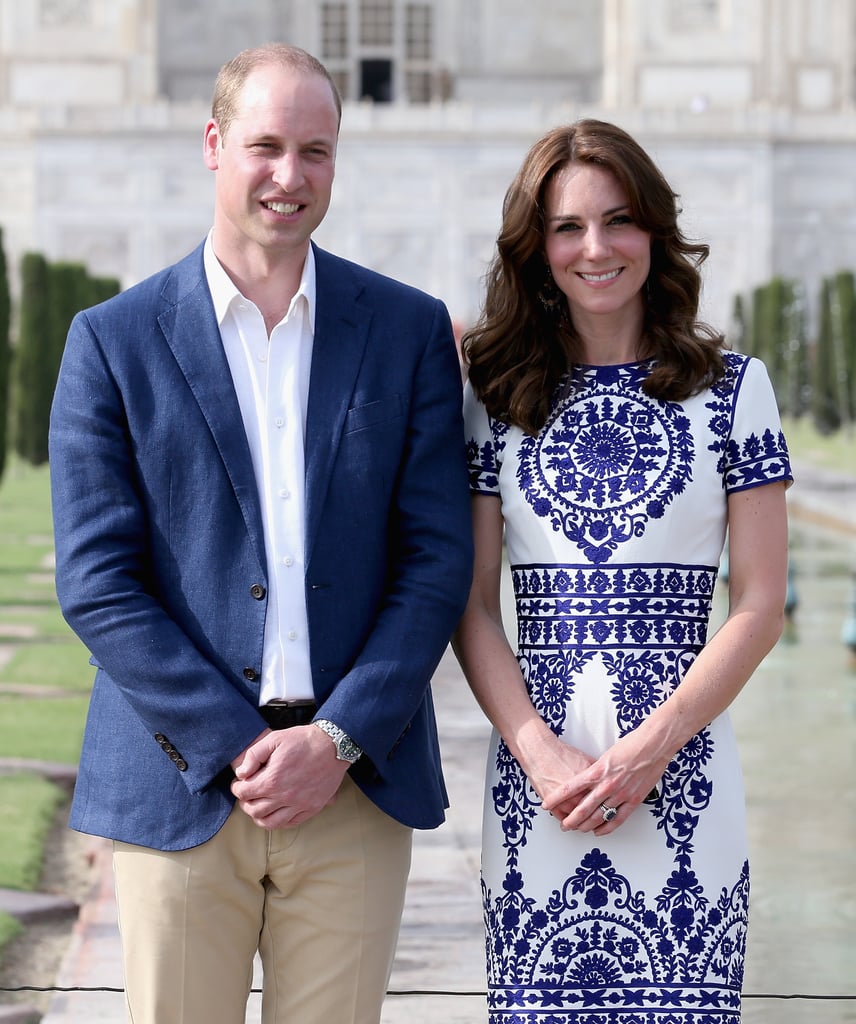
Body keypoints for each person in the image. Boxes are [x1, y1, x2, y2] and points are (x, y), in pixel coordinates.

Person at [49, 43, 473, 1024]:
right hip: (180, 782)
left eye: (315, 150)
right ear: (213, 144)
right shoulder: (112, 342)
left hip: (354, 786)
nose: (291, 176)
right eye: (267, 146)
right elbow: (99, 579)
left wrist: (335, 738)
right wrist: (242, 744)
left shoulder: (407, 331)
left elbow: (434, 560)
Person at [452, 119, 791, 1023]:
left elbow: (760, 606)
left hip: (683, 785)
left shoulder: (733, 390)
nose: (595, 248)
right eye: (567, 227)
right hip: (541, 788)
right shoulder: (498, 395)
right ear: (537, 249)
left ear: (655, 232)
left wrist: (650, 751)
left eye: (618, 221)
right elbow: (473, 608)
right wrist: (536, 749)